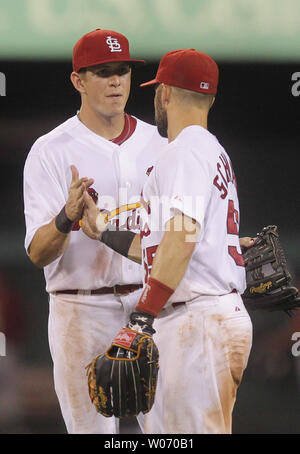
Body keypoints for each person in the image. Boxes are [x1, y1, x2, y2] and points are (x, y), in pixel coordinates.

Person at [81, 49, 253, 434]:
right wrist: (103, 232)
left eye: (156, 90)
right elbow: (161, 247)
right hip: (203, 317)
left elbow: (181, 238)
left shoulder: (184, 150)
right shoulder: (208, 149)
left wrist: (141, 318)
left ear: (167, 93)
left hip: (198, 320)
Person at [23, 28, 167, 434]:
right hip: (80, 309)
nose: (116, 81)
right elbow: (37, 254)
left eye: (122, 70)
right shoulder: (50, 151)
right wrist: (66, 217)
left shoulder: (159, 142)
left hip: (149, 305)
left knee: (170, 431)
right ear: (78, 80)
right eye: (103, 72)